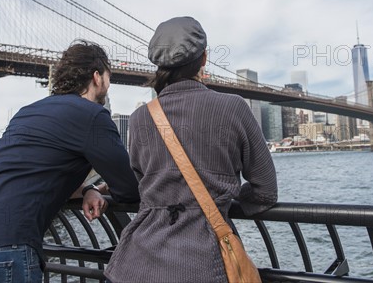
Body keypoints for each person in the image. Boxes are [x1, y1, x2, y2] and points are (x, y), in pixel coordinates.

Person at [0, 40, 140, 283]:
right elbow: (129, 190)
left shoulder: (28, 111)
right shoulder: (93, 115)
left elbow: (34, 171)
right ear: (97, 77)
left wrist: (87, 188)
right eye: (109, 77)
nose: (108, 85)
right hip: (2, 251)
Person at [105, 17, 278, 283]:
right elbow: (265, 191)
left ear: (159, 65)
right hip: (203, 264)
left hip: (137, 264)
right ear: (204, 58)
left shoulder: (140, 117)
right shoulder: (234, 108)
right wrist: (222, 199)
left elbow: (143, 184)